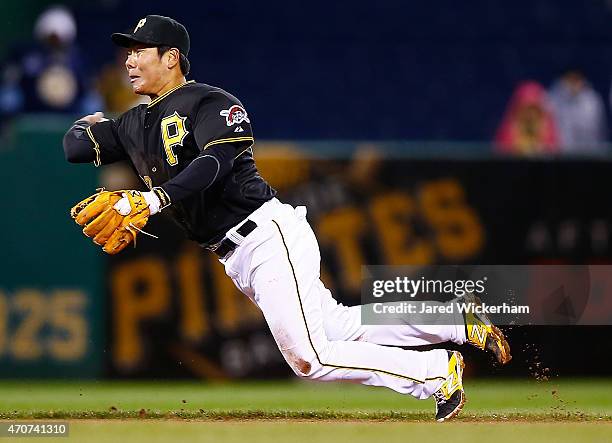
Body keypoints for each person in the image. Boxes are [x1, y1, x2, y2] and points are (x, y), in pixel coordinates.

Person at [62, 15, 511, 422]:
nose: (129, 60)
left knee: (309, 359)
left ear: (172, 57)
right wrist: (87, 123)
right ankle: (455, 321)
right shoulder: (133, 124)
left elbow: (213, 165)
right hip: (236, 255)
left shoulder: (209, 102)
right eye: (128, 51)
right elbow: (74, 146)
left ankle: (434, 372)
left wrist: (155, 199)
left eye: (140, 50)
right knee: (337, 327)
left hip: (267, 235)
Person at [548, 70, 607, 154]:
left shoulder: (593, 100)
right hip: (562, 156)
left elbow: (600, 131)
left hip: (590, 155)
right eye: (570, 79)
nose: (573, 84)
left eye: (576, 79)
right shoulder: (553, 99)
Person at [495, 81, 559, 155]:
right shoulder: (509, 130)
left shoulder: (548, 129)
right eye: (526, 110)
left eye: (534, 110)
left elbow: (553, 152)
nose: (530, 115)